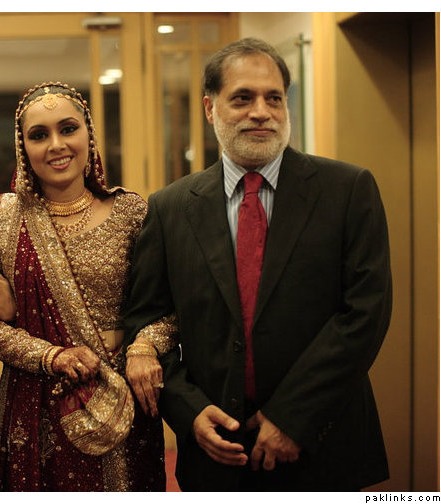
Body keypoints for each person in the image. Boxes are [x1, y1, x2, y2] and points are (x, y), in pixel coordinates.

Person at [123, 38, 392, 491]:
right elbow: (146, 321)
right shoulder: (170, 208)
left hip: (324, 445)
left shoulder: (348, 190)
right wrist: (189, 411)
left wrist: (293, 417)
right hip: (215, 453)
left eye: (274, 98)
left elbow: (365, 315)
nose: (261, 112)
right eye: (242, 98)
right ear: (210, 109)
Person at [0, 82, 176, 491]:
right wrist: (50, 355)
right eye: (39, 135)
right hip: (35, 404)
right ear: (23, 147)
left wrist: (144, 347)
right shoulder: (5, 218)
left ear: (88, 135)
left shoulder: (131, 211)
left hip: (122, 402)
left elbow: (169, 306)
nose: (56, 145)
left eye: (68, 128)